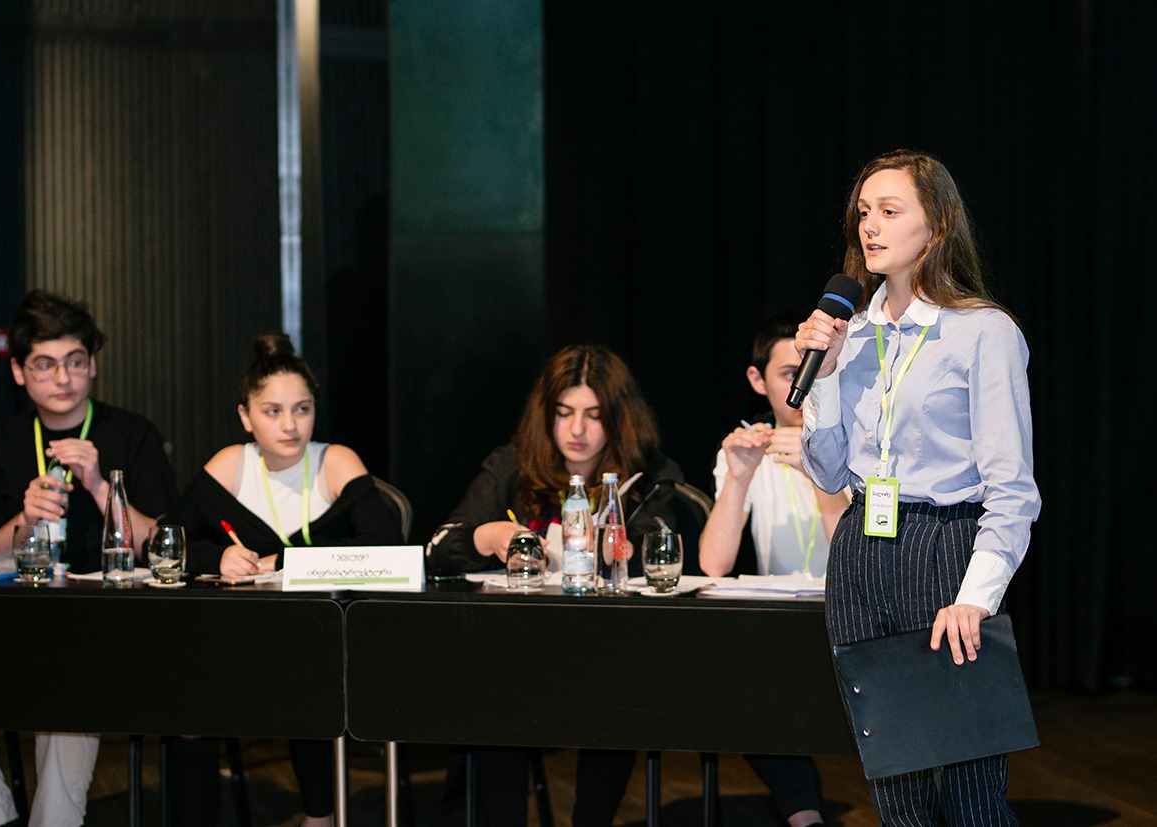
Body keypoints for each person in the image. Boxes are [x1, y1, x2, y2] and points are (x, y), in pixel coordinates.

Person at [795, 149, 1040, 826]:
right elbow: (827, 472)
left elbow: (1013, 489)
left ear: (936, 225)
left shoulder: (982, 331)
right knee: (896, 786)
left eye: (889, 210)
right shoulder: (852, 332)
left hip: (943, 548)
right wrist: (824, 375)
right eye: (863, 213)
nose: (870, 226)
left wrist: (977, 596)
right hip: (860, 549)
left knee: (967, 787)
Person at [0, 289, 179, 827]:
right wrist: (23, 520)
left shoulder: (130, 434)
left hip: (106, 628)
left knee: (70, 681)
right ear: (18, 372)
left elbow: (163, 548)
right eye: (45, 364)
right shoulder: (4, 440)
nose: (63, 378)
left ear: (93, 365)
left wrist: (100, 486)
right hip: (16, 625)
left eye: (75, 362)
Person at [426, 343, 684, 827]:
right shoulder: (512, 465)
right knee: (491, 686)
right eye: (564, 413)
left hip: (606, 658)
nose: (577, 430)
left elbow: (655, 555)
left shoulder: (648, 476)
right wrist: (489, 536)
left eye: (594, 415)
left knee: (619, 688)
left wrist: (616, 547)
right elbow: (438, 549)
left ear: (619, 419)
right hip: (515, 654)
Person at [163, 332, 402, 827]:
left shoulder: (335, 461)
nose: (290, 425)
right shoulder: (230, 465)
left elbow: (385, 547)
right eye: (272, 412)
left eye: (302, 409)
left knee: (308, 674)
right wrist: (217, 557)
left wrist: (287, 563)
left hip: (327, 641)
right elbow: (166, 543)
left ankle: (320, 817)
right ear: (245, 416)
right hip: (242, 642)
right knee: (187, 700)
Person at [698, 311, 850, 827]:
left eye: (813, 367)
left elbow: (853, 559)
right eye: (789, 373)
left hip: (850, 618)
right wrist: (738, 477)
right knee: (733, 689)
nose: (802, 384)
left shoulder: (857, 440)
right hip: (781, 629)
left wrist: (821, 475)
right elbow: (713, 564)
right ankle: (805, 817)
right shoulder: (749, 447)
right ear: (757, 380)